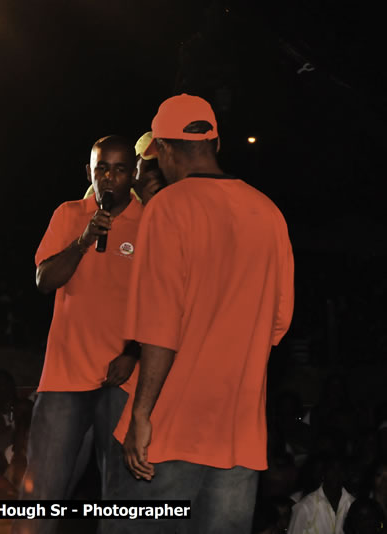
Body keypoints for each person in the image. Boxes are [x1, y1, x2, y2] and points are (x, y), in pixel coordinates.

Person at [107, 94, 295, 533]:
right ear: (216, 143)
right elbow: (279, 322)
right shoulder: (269, 213)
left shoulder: (168, 208)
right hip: (239, 437)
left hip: (170, 431)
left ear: (165, 149)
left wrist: (141, 414)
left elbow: (159, 327)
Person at [14, 135, 142, 534]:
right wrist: (84, 239)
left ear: (134, 174)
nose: (110, 177)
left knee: (121, 503)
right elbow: (44, 280)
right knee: (41, 495)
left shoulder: (152, 222)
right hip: (66, 377)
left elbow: (160, 299)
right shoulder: (69, 213)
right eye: (102, 168)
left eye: (120, 169)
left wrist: (133, 352)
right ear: (89, 171)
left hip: (123, 379)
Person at [288, 455, 355, 534]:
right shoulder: (305, 507)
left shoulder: (352, 504)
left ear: (346, 474)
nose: (336, 474)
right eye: (332, 469)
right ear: (323, 473)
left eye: (340, 469)